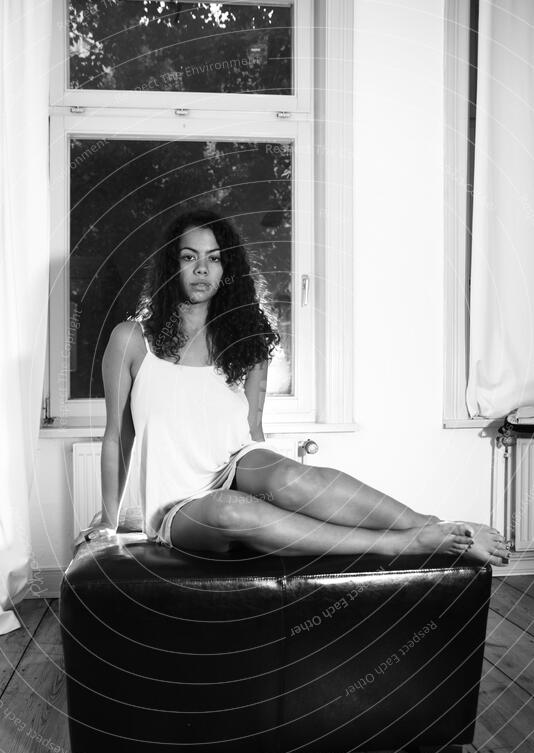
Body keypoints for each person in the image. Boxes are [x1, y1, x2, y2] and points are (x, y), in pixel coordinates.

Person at [86, 208, 510, 566]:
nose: (202, 269)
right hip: (177, 505)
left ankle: (433, 525)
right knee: (228, 509)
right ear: (170, 265)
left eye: (214, 259)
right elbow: (116, 437)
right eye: (189, 256)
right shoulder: (131, 340)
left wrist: (281, 494)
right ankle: (401, 544)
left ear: (226, 268)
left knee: (292, 477)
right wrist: (111, 520)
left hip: (234, 465)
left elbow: (252, 431)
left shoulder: (247, 342)